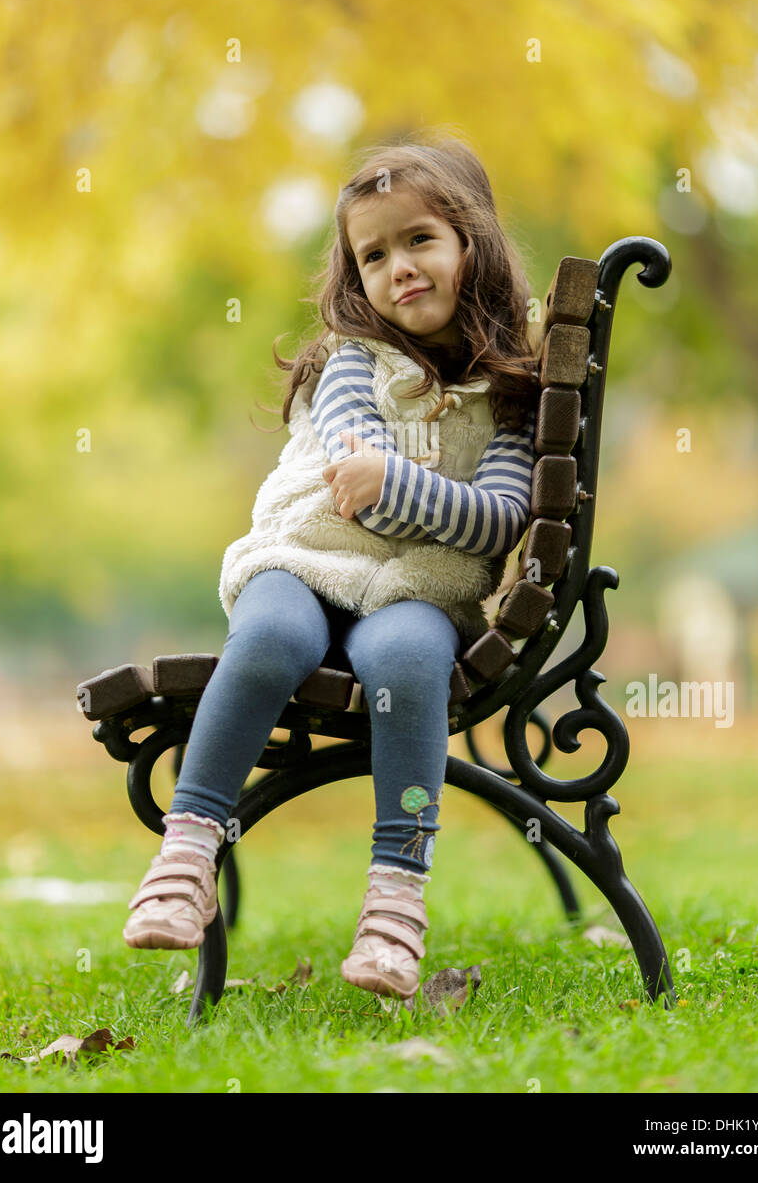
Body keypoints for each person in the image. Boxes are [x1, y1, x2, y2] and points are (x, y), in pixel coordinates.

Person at [123, 136, 539, 1002]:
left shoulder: (509, 393)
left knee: (410, 661)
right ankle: (189, 846)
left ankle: (396, 896)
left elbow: (500, 520)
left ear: (473, 244)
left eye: (420, 239)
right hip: (311, 557)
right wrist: (404, 490)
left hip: (419, 587)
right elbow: (360, 496)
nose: (400, 269)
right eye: (374, 254)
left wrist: (396, 484)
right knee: (272, 634)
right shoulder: (353, 361)